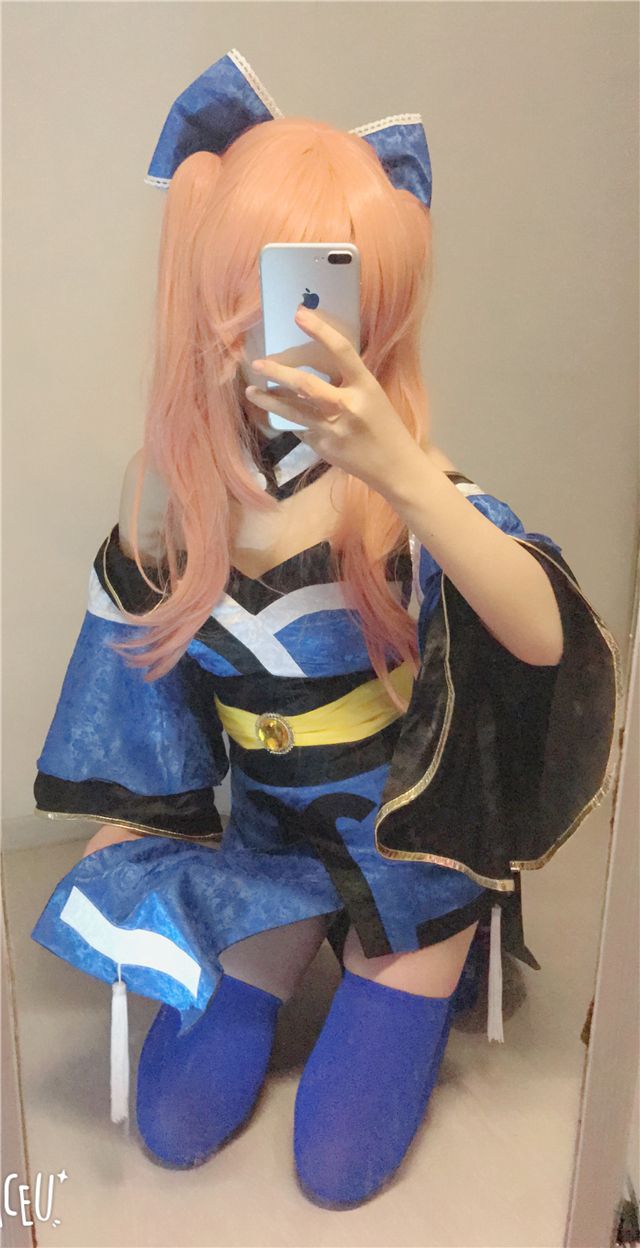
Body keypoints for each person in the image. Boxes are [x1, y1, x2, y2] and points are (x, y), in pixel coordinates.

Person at [31, 49, 622, 1210]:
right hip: (268, 845)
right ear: (207, 290)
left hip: (406, 847)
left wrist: (403, 473)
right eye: (256, 289)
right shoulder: (173, 513)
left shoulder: (406, 497)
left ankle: (432, 945)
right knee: (176, 1120)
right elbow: (138, 710)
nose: (286, 326)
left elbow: (542, 640)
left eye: (322, 289)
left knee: (337, 1162)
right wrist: (130, 843)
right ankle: (312, 938)